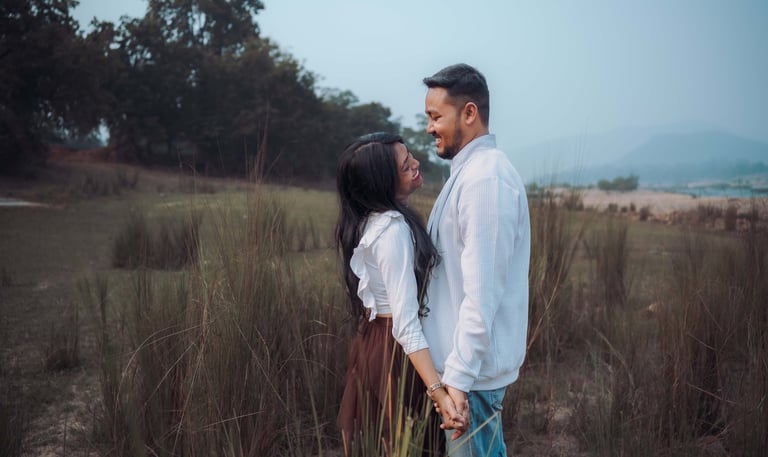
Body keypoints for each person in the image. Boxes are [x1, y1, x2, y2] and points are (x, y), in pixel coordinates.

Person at [421, 63, 531, 456]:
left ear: (469, 113)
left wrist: (459, 381)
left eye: (436, 117)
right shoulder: (467, 174)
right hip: (461, 375)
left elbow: (481, 296)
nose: (429, 127)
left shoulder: (487, 180)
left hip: (472, 380)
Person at [335, 132, 467, 456]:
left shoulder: (372, 220)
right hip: (397, 354)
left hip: (375, 342)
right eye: (406, 165)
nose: (416, 164)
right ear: (382, 182)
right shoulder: (392, 231)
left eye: (411, 158)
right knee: (405, 443)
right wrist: (439, 391)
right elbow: (405, 324)